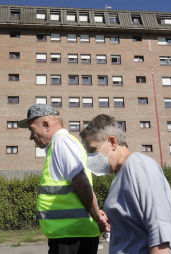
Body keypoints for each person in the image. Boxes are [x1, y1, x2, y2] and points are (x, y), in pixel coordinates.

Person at [79, 114, 171, 254]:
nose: (90, 158)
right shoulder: (120, 176)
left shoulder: (138, 166)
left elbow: (160, 231)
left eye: (92, 150)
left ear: (113, 142)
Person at [18, 104, 106, 254]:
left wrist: (97, 217)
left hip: (71, 236)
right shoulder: (61, 144)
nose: (31, 136)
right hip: (70, 234)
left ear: (46, 125)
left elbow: (81, 182)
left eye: (32, 130)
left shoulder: (61, 143)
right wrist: (96, 213)